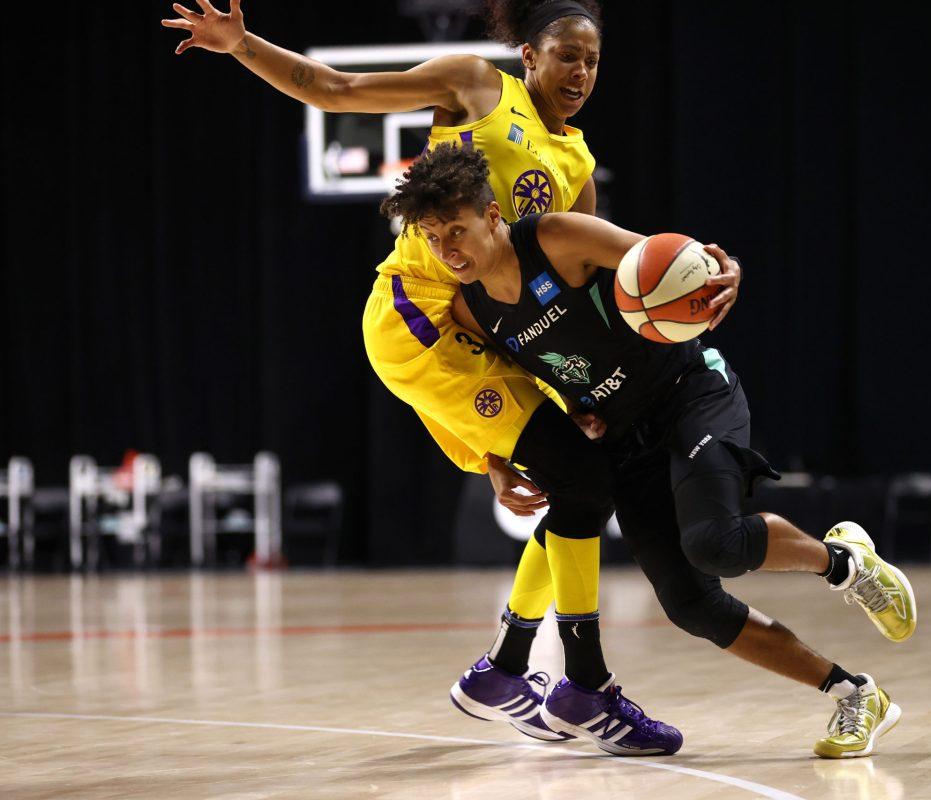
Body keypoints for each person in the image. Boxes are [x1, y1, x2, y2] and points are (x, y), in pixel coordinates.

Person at [162, 0, 686, 754]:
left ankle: (505, 673)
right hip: (416, 318)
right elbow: (332, 89)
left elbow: (565, 300)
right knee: (581, 478)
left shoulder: (576, 170)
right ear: (529, 55)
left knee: (579, 477)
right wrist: (243, 45)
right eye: (566, 54)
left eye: (593, 60)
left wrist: (576, 394)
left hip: (489, 337)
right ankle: (579, 685)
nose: (580, 72)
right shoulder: (475, 86)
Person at [384, 143, 919, 759]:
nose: (448, 249)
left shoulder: (557, 237)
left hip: (689, 393)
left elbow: (673, 261)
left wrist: (727, 269)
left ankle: (843, 563)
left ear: (492, 216)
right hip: (621, 434)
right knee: (691, 605)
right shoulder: (468, 310)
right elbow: (507, 392)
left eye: (457, 229)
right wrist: (496, 466)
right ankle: (855, 694)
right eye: (430, 236)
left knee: (713, 541)